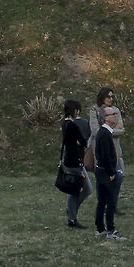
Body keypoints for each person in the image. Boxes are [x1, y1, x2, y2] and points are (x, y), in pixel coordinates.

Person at [85, 102, 124, 240]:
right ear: (106, 118)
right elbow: (106, 156)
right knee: (110, 201)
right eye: (112, 114)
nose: (115, 115)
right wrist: (111, 172)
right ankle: (110, 231)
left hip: (100, 171)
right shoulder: (105, 134)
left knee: (101, 201)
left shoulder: (103, 132)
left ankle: (100, 228)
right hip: (106, 172)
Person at [57, 97, 90, 228]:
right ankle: (72, 216)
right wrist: (80, 142)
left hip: (69, 160)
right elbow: (83, 141)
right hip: (75, 161)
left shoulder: (65, 124)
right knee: (83, 189)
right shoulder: (72, 125)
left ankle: (71, 212)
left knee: (78, 189)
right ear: (74, 110)